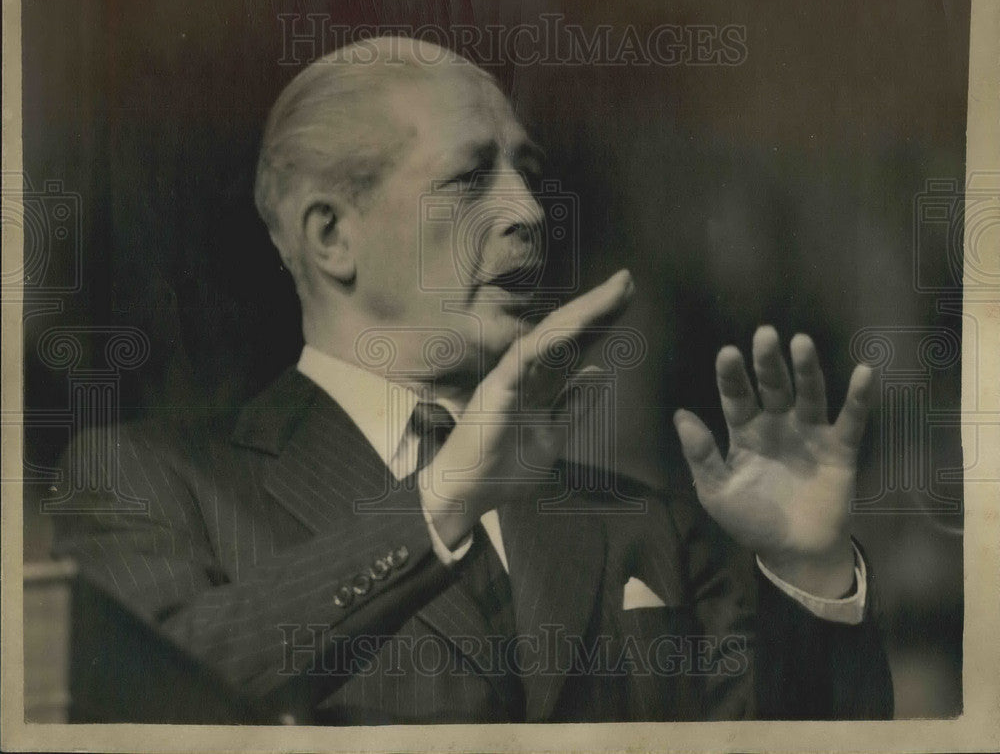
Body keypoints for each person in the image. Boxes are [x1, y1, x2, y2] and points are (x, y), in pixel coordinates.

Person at [53, 36, 893, 723]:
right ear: (332, 235)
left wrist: (807, 569)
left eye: (528, 173)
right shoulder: (149, 479)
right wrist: (440, 501)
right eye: (469, 178)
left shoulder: (648, 524)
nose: (529, 212)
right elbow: (146, 694)